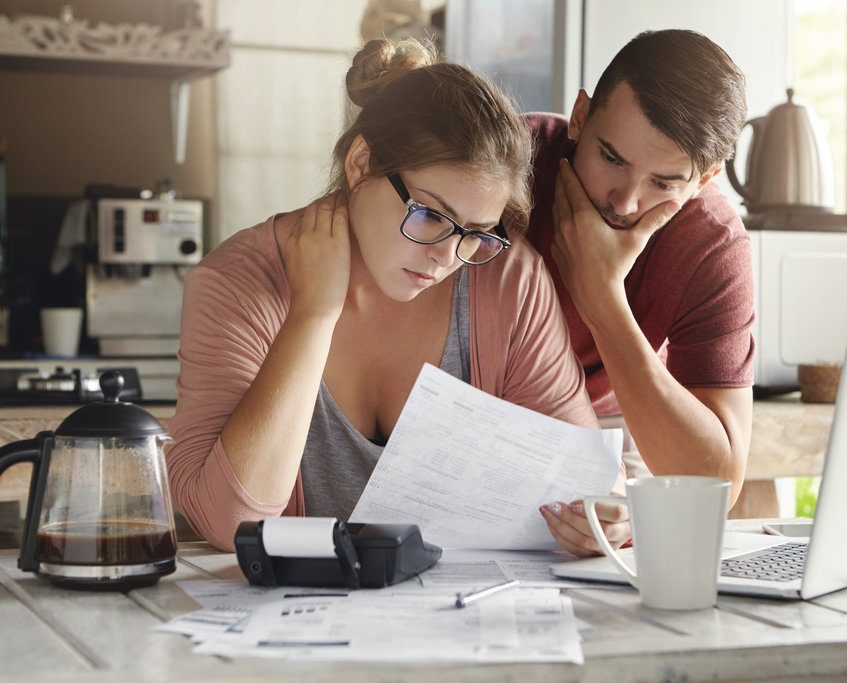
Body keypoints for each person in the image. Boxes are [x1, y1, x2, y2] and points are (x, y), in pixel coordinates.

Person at [167, 38, 628, 556]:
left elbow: (583, 480)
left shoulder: (508, 279)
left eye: (475, 232)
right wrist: (314, 313)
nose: (447, 256)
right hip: (290, 627)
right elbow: (230, 522)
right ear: (361, 164)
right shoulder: (237, 283)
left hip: (462, 618)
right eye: (430, 215)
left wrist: (604, 518)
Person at [530, 30, 754, 549]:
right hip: (473, 396)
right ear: (581, 116)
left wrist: (602, 298)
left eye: (664, 182)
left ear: (705, 178)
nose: (627, 202)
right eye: (612, 158)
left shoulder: (711, 243)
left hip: (613, 414)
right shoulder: (506, 162)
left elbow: (717, 484)